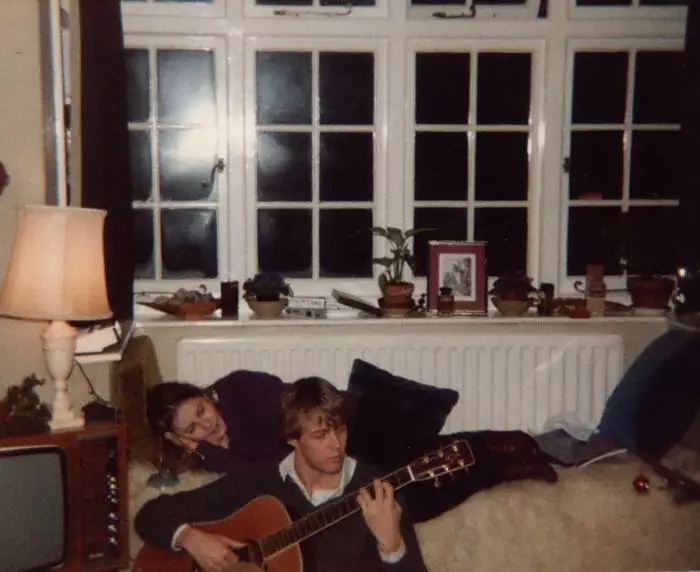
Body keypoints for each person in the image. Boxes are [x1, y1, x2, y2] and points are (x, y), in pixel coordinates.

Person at [135, 376, 429, 572]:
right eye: (320, 435)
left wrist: (392, 548)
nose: (336, 445)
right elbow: (151, 514)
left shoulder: (379, 493)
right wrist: (190, 539)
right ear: (292, 439)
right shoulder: (259, 484)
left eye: (340, 430)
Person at [146, 370, 291, 474]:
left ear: (205, 396)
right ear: (180, 439)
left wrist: (232, 448)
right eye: (192, 429)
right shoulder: (207, 451)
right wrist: (206, 452)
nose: (206, 424)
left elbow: (276, 470)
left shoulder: (240, 387)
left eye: (201, 411)